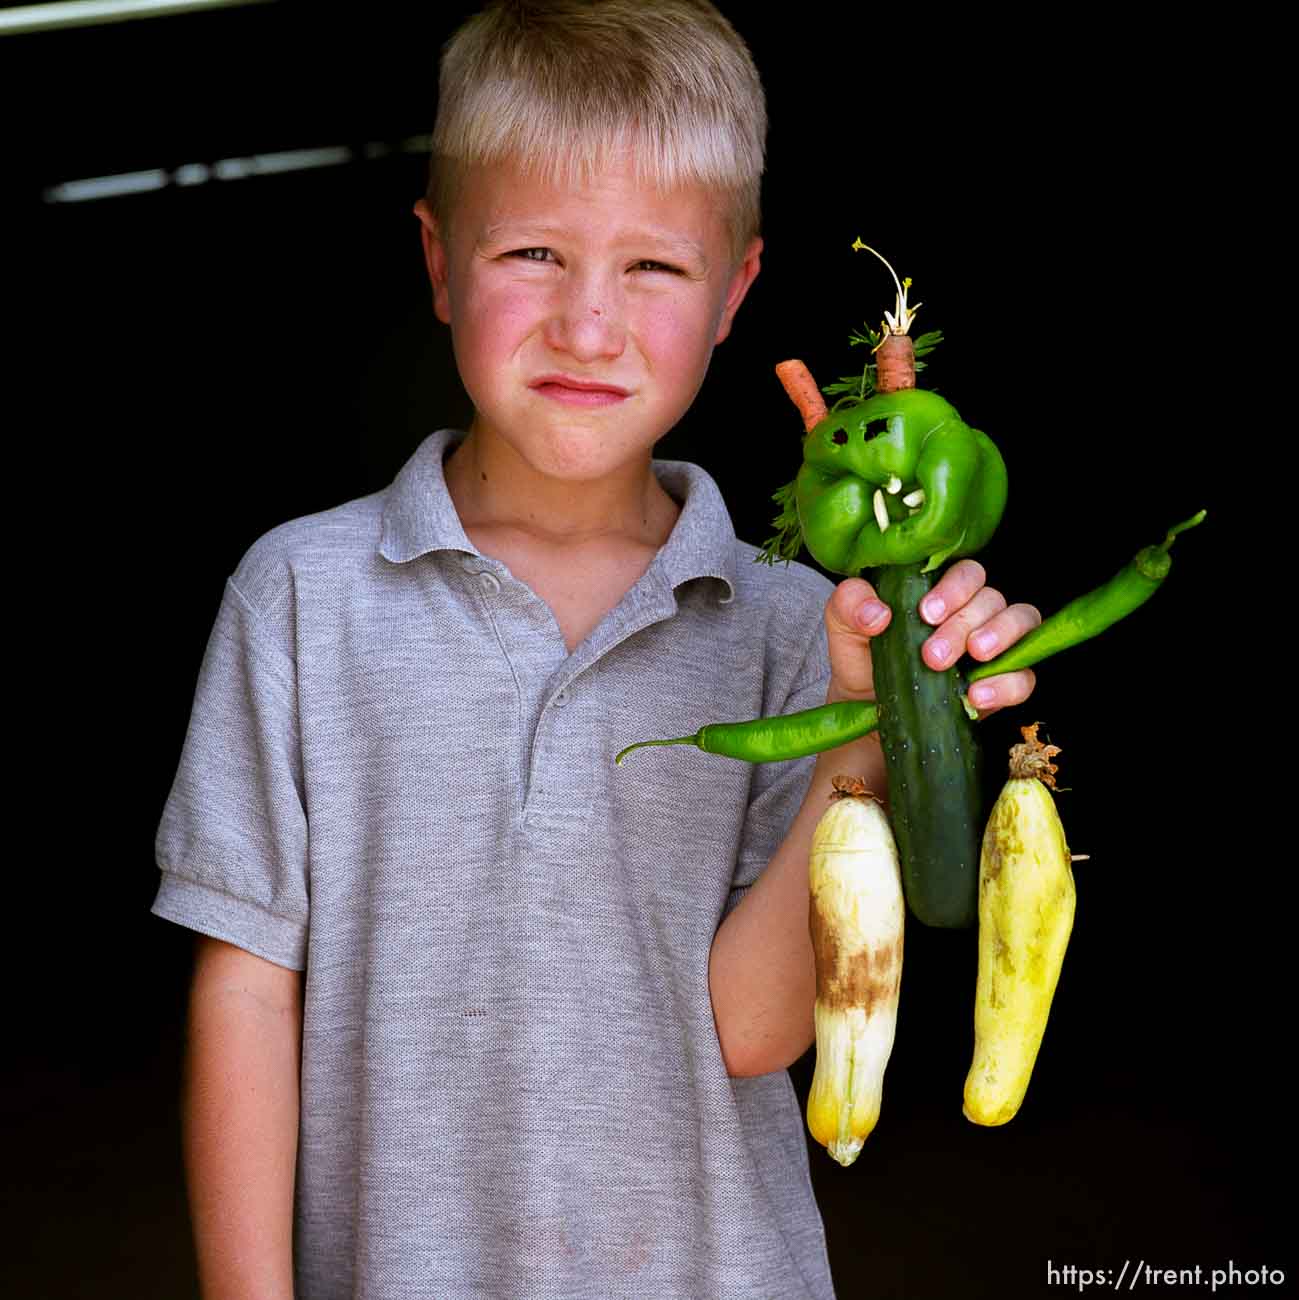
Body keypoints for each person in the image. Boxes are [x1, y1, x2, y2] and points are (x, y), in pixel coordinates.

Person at [153, 2, 1040, 1296]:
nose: (587, 324)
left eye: (653, 269)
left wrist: (875, 720)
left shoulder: (799, 628)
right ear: (440, 259)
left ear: (736, 292)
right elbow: (244, 996)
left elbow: (755, 1028)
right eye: (533, 252)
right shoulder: (303, 597)